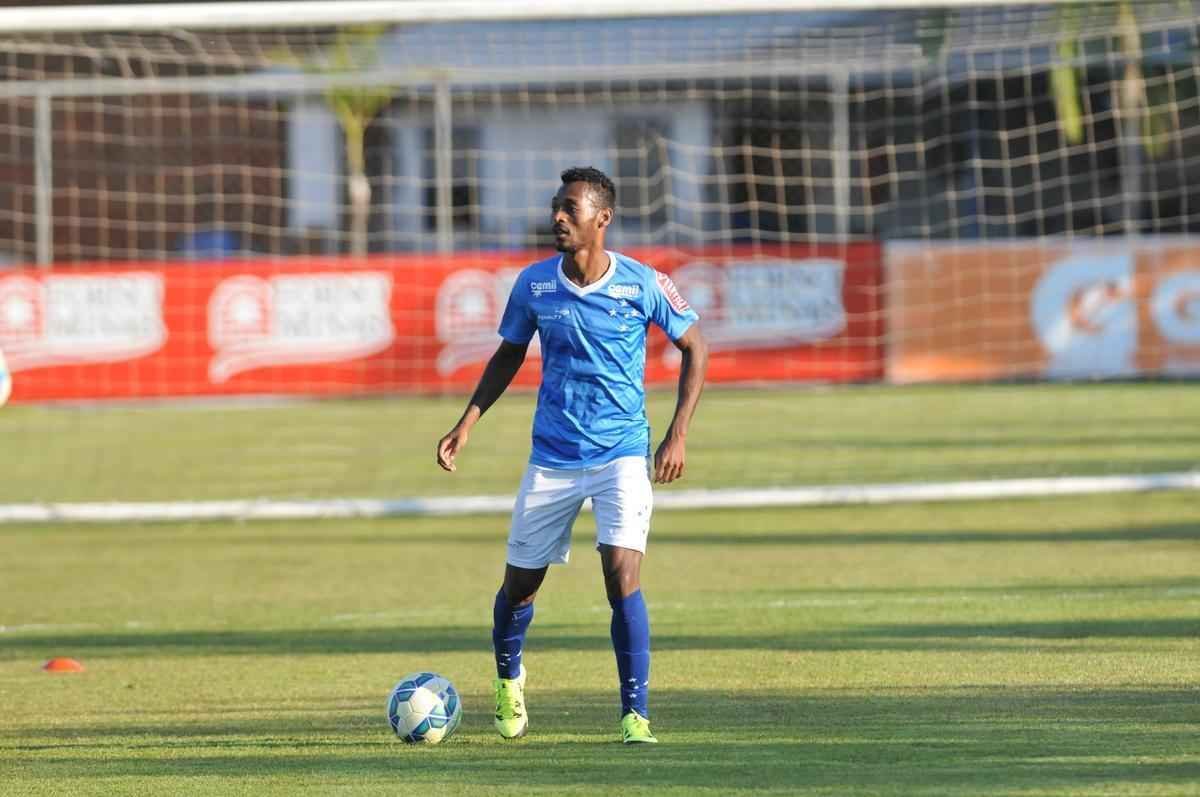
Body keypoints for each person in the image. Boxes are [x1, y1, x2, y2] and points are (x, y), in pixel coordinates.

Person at [436, 166, 708, 744]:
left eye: (570, 208)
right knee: (520, 588)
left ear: (602, 219)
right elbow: (507, 356)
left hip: (622, 454)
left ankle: (635, 716)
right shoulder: (534, 285)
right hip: (552, 458)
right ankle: (509, 680)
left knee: (621, 576)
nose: (557, 217)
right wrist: (467, 422)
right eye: (556, 207)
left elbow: (695, 347)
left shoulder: (644, 283)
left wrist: (678, 432)